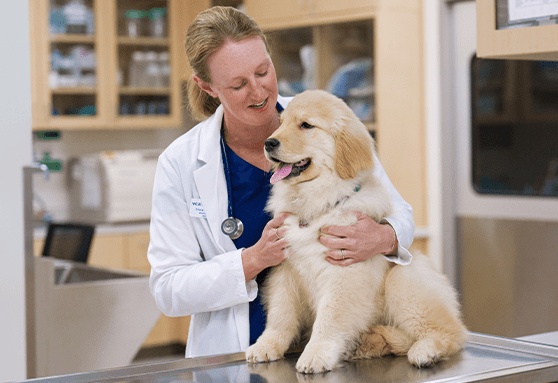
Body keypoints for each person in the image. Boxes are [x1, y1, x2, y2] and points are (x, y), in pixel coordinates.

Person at [148, 6, 415, 358]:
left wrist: (382, 236)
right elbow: (168, 289)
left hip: (334, 348)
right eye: (238, 84)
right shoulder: (180, 162)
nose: (258, 91)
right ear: (207, 86)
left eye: (263, 71)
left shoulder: (322, 123)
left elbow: (401, 215)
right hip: (237, 355)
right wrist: (253, 259)